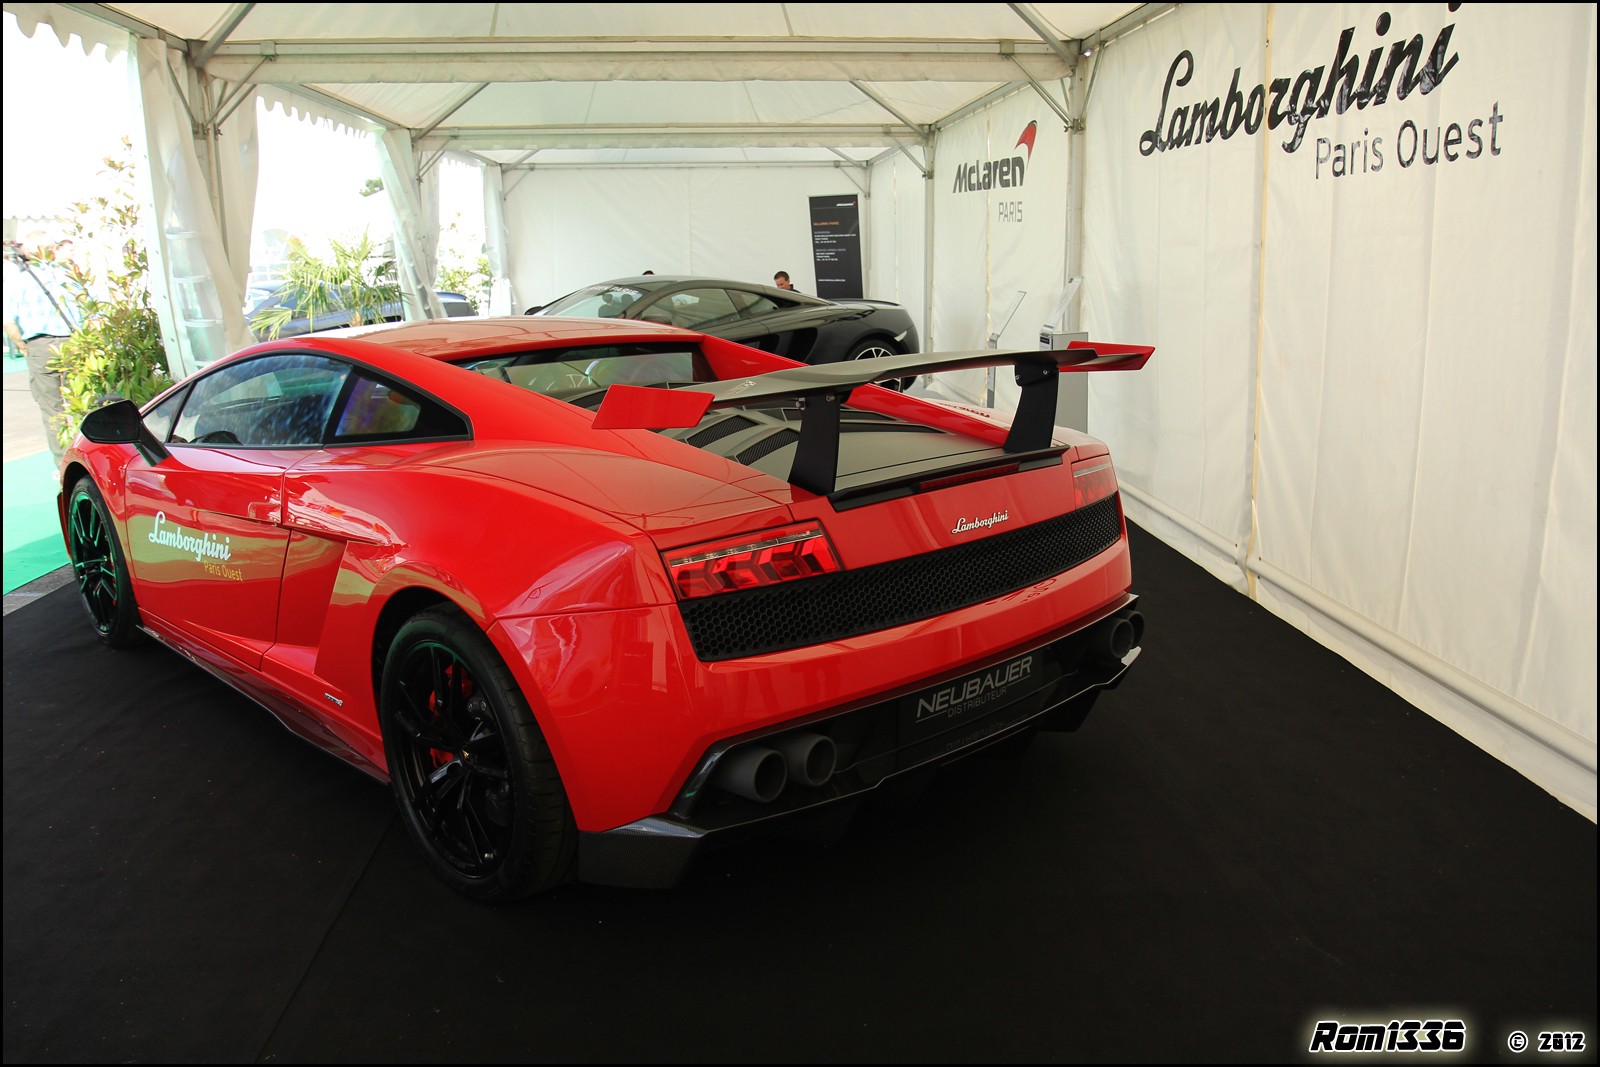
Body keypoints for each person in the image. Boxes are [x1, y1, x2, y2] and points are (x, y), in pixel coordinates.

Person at [3, 235, 79, 466]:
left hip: (40, 344)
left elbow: (8, 320)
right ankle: (89, 457)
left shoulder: (19, 280)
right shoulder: (67, 275)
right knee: (81, 402)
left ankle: (63, 464)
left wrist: (24, 347)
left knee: (52, 410)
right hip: (73, 342)